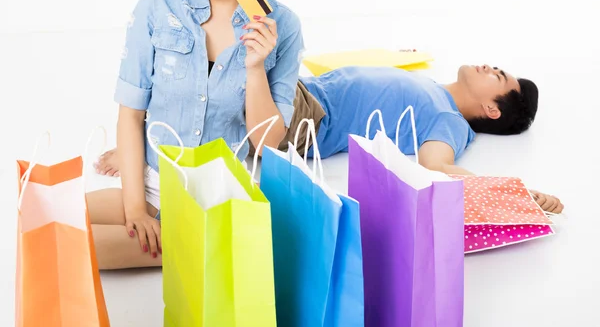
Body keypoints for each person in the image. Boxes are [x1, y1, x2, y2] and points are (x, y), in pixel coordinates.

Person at [87, 0, 304, 270]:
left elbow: (267, 141)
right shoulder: (158, 5)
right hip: (155, 181)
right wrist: (136, 208)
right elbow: (131, 114)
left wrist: (255, 68)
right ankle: (197, 245)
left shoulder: (281, 23)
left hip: (221, 194)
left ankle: (207, 243)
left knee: (74, 255)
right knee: (43, 225)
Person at [96, 63, 564, 217]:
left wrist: (515, 194)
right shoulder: (431, 83)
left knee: (227, 70)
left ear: (492, 109)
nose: (488, 65)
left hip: (306, 116)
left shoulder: (448, 122)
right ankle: (144, 142)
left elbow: (438, 166)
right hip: (299, 89)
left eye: (497, 75)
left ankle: (143, 147)